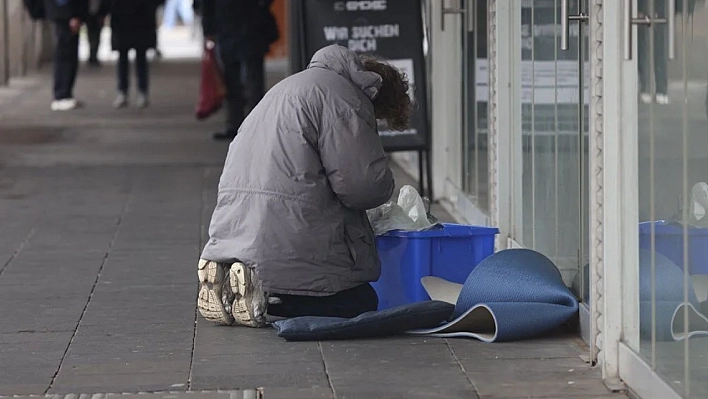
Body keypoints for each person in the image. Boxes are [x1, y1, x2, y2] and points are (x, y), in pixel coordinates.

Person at [196, 45, 413, 327]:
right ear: (377, 97)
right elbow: (362, 187)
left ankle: (239, 281)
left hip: (236, 227)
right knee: (361, 301)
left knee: (288, 265)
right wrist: (385, 183)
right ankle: (268, 299)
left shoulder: (285, 89)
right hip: (288, 233)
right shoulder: (346, 100)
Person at [201, 0, 279, 141]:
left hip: (244, 23)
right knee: (239, 79)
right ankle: (245, 123)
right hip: (237, 23)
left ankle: (246, 123)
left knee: (247, 79)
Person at [109, 0, 162, 108]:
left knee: (135, 57)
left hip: (138, 18)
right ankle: (132, 92)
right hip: (129, 19)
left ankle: (131, 92)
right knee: (130, 58)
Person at [43, 0, 88, 111]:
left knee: (69, 53)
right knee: (65, 53)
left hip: (64, 13)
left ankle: (65, 93)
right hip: (65, 14)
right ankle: (61, 94)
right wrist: (71, 15)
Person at [85, 0, 109, 67]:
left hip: (97, 15)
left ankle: (93, 56)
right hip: (90, 15)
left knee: (96, 37)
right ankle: (92, 56)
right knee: (92, 37)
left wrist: (103, 14)